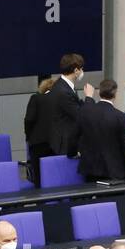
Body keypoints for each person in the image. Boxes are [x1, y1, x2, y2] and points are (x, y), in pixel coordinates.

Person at [78, 79, 125, 182]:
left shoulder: (85, 112)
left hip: (90, 169)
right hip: (114, 171)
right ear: (115, 94)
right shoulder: (121, 117)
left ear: (99, 92)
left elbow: (76, 135)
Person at [45, 53, 87, 181]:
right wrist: (89, 98)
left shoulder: (63, 86)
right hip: (65, 144)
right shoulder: (63, 91)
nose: (82, 72)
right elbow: (80, 115)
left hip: (66, 140)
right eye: (82, 69)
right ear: (76, 70)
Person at [23, 76, 58, 185]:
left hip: (38, 144)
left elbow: (29, 119)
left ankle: (40, 200)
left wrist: (28, 136)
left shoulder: (36, 98)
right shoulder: (60, 101)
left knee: (39, 177)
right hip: (56, 144)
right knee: (54, 175)